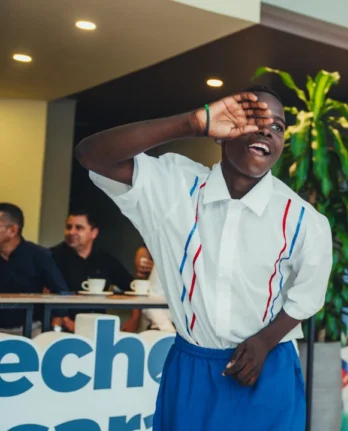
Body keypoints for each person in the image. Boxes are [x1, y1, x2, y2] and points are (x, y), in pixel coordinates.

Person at [75, 86, 332, 430]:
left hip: (265, 365)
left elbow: (308, 296)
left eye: (277, 127)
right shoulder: (173, 187)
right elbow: (91, 155)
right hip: (192, 370)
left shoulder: (303, 219)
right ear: (222, 133)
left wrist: (265, 340)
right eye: (253, 120)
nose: (267, 131)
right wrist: (192, 123)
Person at [50, 210, 138, 332]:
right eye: (69, 227)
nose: (71, 232)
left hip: (98, 328)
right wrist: (65, 321)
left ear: (94, 233)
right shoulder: (52, 256)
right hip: (62, 329)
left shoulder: (105, 259)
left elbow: (133, 287)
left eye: (79, 228)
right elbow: (45, 293)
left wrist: (134, 319)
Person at [0, 203, 70, 336]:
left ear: (13, 230)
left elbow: (62, 292)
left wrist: (55, 330)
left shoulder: (38, 255)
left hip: (30, 329)